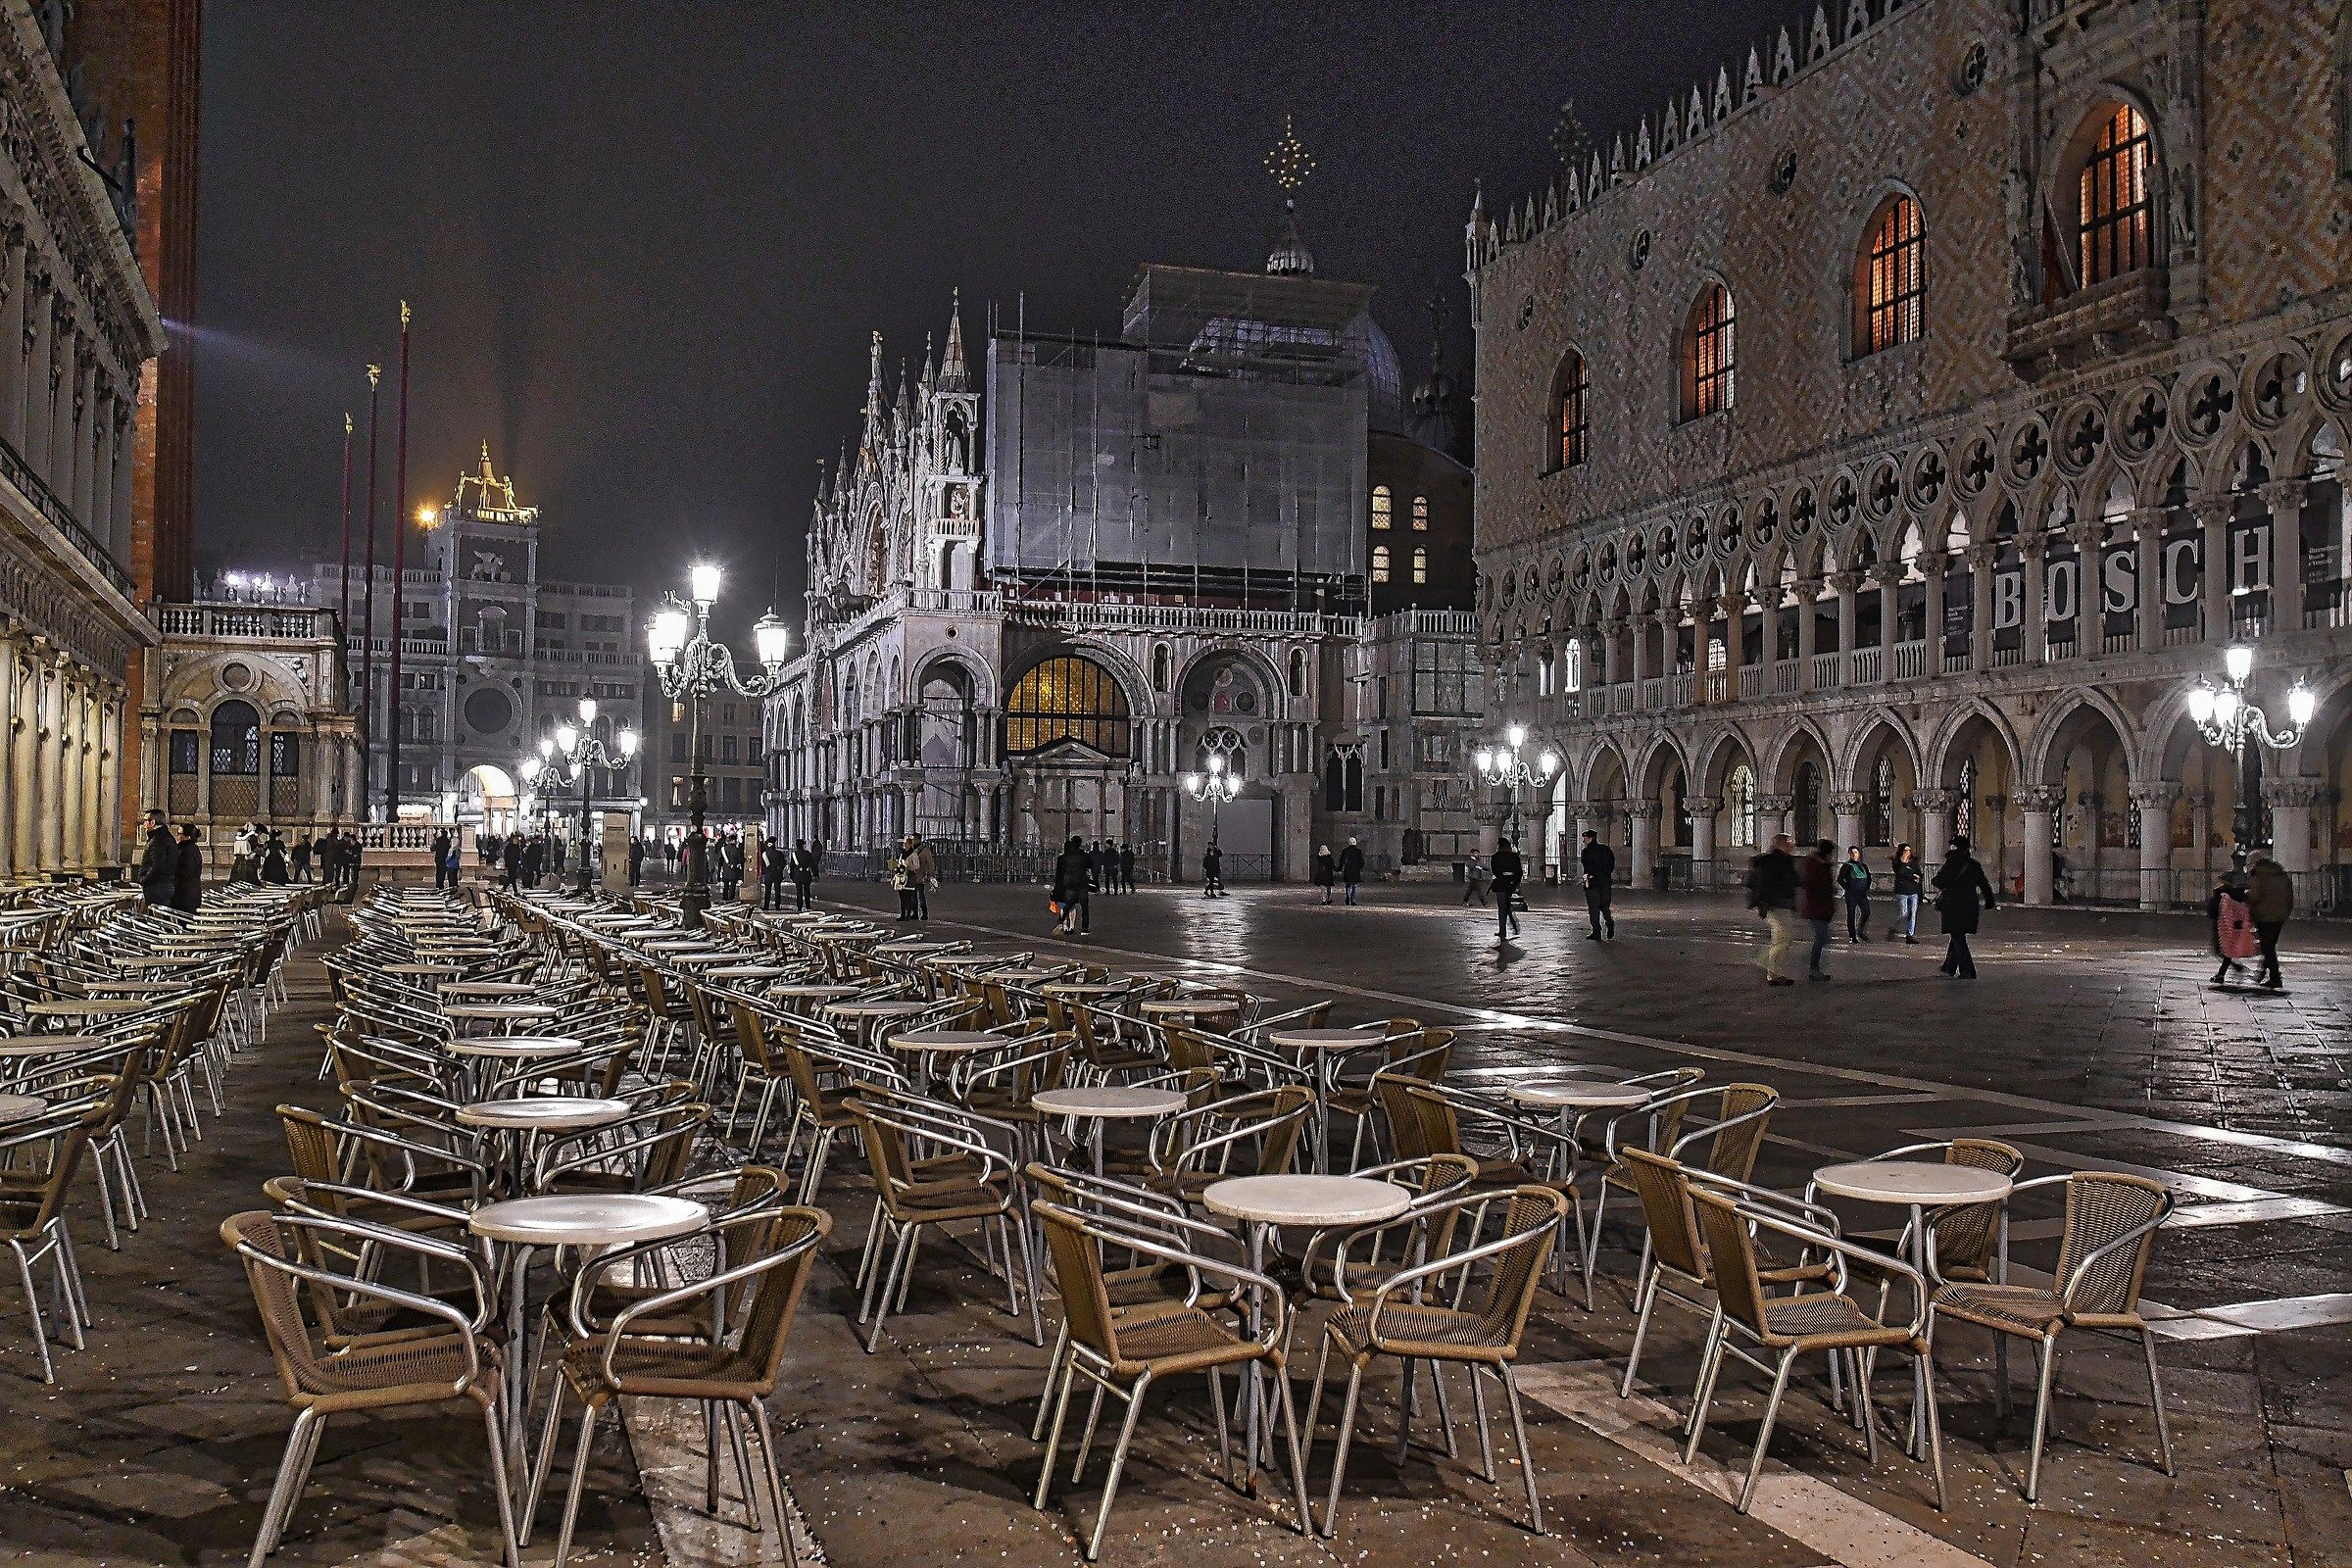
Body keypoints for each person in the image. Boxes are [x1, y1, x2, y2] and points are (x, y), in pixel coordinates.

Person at [1932, 834, 1997, 978]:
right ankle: (1949, 966)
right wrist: (1989, 901)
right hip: (1970, 904)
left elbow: (1939, 881)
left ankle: (1968, 970)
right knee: (1957, 934)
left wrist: (1936, 880)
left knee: (1957, 935)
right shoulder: (1973, 864)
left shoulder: (1952, 863)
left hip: (1953, 904)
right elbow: (1984, 884)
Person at [1747, 833, 1800, 986]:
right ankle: (1763, 960)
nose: (1792, 845)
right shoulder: (1770, 862)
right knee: (1785, 936)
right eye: (1789, 842)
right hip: (1770, 905)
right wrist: (1761, 903)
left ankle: (1773, 974)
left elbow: (1793, 881)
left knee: (1781, 937)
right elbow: (1760, 883)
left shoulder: (1785, 861)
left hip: (1782, 904)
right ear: (1781, 844)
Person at [2246, 846, 2293, 991]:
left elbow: (2255, 895)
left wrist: (2246, 896)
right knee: (2270, 946)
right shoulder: (2280, 873)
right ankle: (2262, 973)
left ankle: (2275, 977)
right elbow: (2289, 894)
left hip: (2265, 915)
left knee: (2268, 947)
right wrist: (2286, 911)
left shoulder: (2259, 874)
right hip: (2280, 915)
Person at [2208, 859, 2255, 987]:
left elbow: (2212, 910)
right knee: (2226, 950)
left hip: (2221, 925)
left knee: (2221, 950)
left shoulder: (2222, 895)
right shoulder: (2239, 895)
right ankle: (2222, 974)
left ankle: (2227, 972)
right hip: (2234, 925)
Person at [1799, 840, 1838, 980]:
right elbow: (1814, 886)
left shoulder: (1821, 865)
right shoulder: (1817, 865)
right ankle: (1813, 969)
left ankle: (1813, 966)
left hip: (1821, 908)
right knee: (1821, 937)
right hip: (1816, 908)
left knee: (1823, 938)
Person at [1052, 833, 1095, 935]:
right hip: (1082, 882)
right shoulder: (1084, 855)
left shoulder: (1064, 857)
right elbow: (1090, 865)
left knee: (1069, 903)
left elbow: (1059, 873)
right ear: (1080, 844)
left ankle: (1061, 921)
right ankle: (1084, 928)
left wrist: (1057, 886)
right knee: (1084, 906)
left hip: (1069, 883)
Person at [1579, 829, 1617, 940]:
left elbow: (1586, 867)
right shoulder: (1606, 849)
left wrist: (1588, 880)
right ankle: (1609, 923)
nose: (1583, 841)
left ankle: (1596, 931)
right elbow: (1611, 865)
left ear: (1590, 838)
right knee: (1605, 907)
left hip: (1592, 883)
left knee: (1593, 908)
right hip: (1605, 882)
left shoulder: (1586, 852)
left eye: (1585, 838)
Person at [135, 808, 175, 906]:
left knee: (155, 918)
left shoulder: (157, 840)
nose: (143, 825)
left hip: (156, 887)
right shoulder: (167, 837)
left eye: (145, 821)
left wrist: (144, 879)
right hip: (165, 884)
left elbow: (157, 865)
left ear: (152, 822)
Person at [1491, 838, 1524, 940]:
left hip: (1500, 884)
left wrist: (1502, 876)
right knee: (1506, 906)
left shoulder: (1495, 857)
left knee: (1502, 908)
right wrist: (1514, 882)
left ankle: (1503, 931)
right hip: (1510, 885)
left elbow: (1495, 871)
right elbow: (1519, 872)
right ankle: (1512, 926)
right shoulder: (1514, 857)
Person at [1838, 846, 1873, 943]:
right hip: (1851, 894)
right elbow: (1840, 879)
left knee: (1866, 912)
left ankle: (1860, 931)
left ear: (1859, 854)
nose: (1854, 854)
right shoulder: (1847, 866)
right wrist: (1848, 888)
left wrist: (1866, 888)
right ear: (1849, 854)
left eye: (1856, 852)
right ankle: (1852, 936)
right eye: (1852, 852)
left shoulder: (1863, 866)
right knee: (1851, 914)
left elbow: (1868, 878)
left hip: (1862, 894)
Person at [1889, 844, 1923, 944]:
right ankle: (1893, 928)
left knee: (1912, 914)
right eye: (1905, 850)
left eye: (1909, 850)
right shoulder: (1897, 862)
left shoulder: (1914, 862)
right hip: (1902, 891)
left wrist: (1917, 878)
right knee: (1903, 913)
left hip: (1913, 891)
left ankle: (1910, 935)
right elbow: (1900, 872)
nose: (1907, 852)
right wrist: (1910, 874)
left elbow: (1918, 873)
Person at [171, 825, 204, 913]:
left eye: (179, 833)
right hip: (190, 892)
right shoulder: (190, 848)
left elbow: (186, 872)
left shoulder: (186, 851)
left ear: (187, 836)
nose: (177, 836)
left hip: (184, 895)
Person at [908, 833, 937, 920]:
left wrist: (930, 874)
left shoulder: (924, 850)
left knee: (920, 895)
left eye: (914, 839)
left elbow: (930, 863)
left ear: (919, 839)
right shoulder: (910, 849)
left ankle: (924, 913)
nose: (913, 841)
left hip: (920, 876)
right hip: (911, 876)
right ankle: (915, 913)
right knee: (913, 895)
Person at [892, 838, 918, 920]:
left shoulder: (914, 854)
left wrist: (909, 867)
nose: (904, 845)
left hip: (910, 877)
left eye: (906, 843)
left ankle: (908, 915)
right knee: (902, 897)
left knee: (908, 897)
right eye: (904, 844)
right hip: (901, 877)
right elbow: (899, 864)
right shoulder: (902, 854)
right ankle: (902, 914)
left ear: (910, 844)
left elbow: (917, 866)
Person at [760, 840, 788, 910]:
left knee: (767, 891)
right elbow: (783, 863)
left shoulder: (765, 854)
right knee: (777, 890)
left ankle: (766, 906)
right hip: (778, 874)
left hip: (768, 874)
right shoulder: (779, 853)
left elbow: (762, 864)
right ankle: (777, 906)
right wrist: (779, 870)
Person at [791, 839, 816, 911]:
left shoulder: (794, 854)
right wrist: (815, 874)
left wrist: (792, 876)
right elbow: (812, 865)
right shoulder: (808, 853)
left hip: (798, 875)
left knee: (799, 892)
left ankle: (799, 907)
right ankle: (808, 906)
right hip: (807, 874)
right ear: (803, 845)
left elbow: (792, 866)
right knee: (807, 891)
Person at [1339, 837, 1366, 906]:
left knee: (1348, 884)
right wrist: (1360, 867)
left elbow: (1341, 860)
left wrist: (1340, 868)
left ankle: (1348, 897)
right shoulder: (1358, 851)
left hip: (1347, 869)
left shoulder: (1345, 850)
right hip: (1355, 870)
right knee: (1354, 885)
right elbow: (1361, 861)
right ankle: (1352, 899)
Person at [430, 828, 454, 892]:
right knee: (444, 873)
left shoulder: (438, 840)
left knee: (439, 873)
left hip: (439, 859)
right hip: (446, 859)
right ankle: (442, 885)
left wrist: (433, 841)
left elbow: (432, 849)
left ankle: (439, 885)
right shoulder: (447, 841)